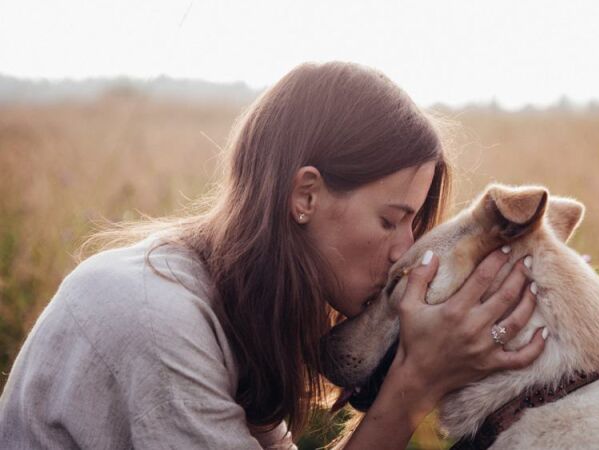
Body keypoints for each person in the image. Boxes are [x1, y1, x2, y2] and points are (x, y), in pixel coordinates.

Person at [0, 62, 546, 449]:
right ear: (304, 195)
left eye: (412, 223)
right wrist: (414, 383)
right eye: (389, 220)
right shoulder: (155, 321)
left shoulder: (234, 304)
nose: (404, 250)